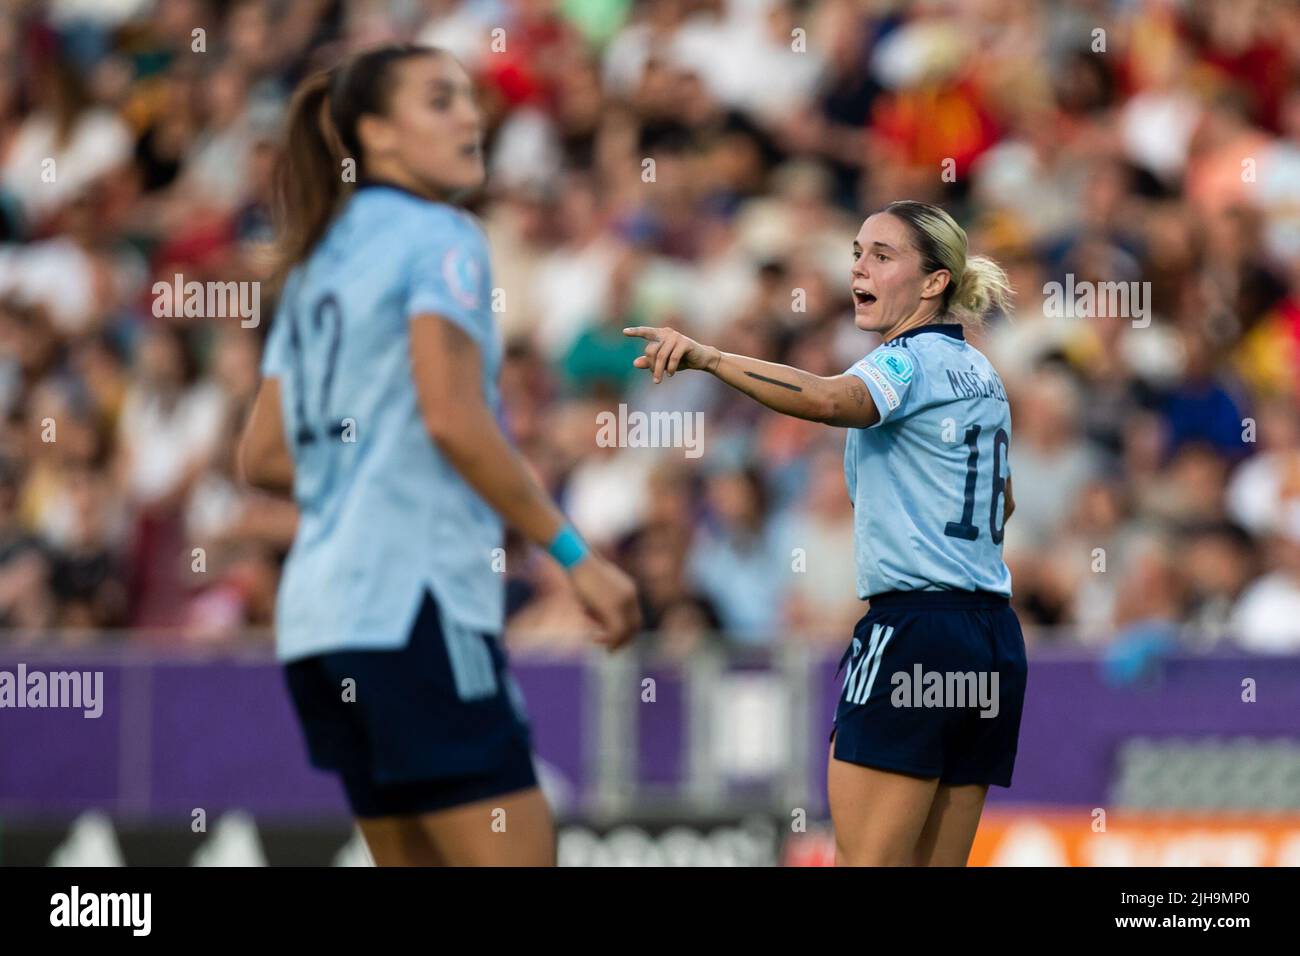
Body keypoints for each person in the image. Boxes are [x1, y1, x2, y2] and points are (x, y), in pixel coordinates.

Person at [238, 44, 640, 866]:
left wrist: (368, 461)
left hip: (320, 620)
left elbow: (264, 453)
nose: (470, 115)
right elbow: (454, 419)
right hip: (412, 605)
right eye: (440, 101)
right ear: (378, 133)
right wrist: (572, 553)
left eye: (467, 98)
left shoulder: (316, 260)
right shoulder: (440, 235)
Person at [625, 200, 1025, 866]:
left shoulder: (910, 360)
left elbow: (831, 399)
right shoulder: (980, 372)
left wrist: (711, 358)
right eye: (856, 254)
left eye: (882, 255)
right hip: (990, 639)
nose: (859, 269)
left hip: (914, 631)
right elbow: (1002, 501)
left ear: (933, 283)